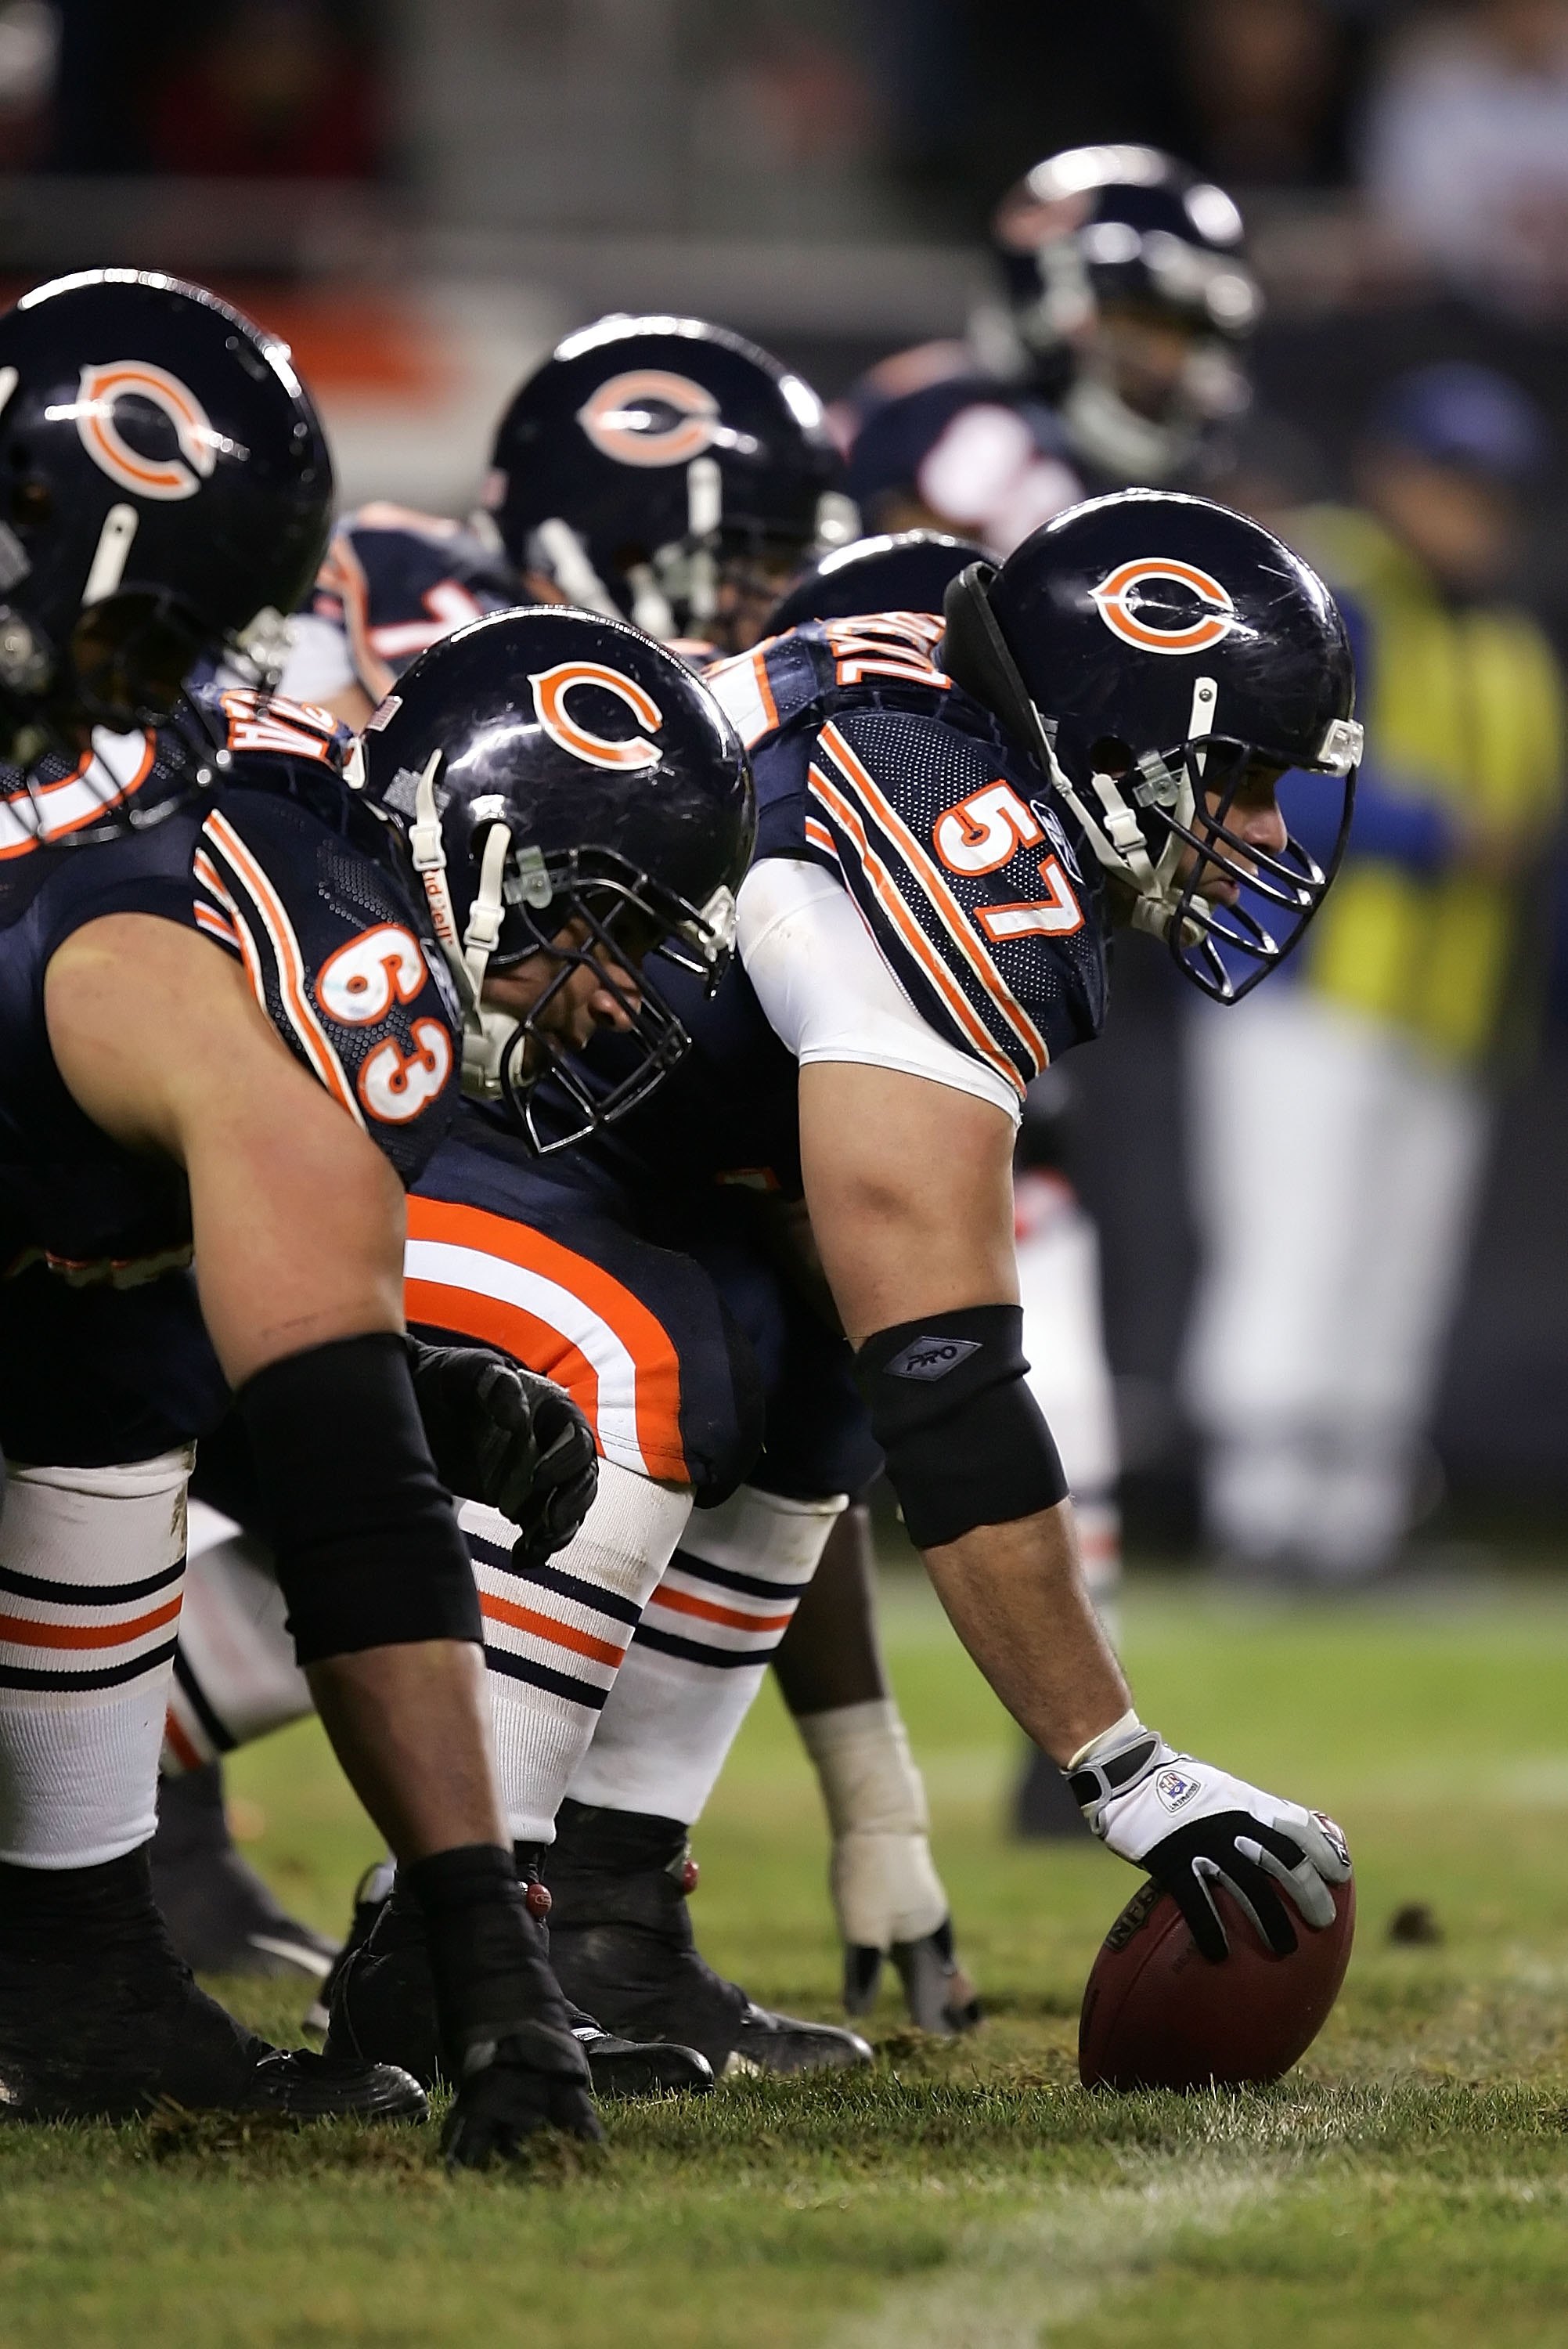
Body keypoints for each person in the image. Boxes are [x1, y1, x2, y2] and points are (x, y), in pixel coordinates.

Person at [305, 485, 1361, 2095]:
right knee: (627, 1355)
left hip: (557, 1127)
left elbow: (873, 1345)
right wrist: (1120, 1768)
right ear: (1126, 738)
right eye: (1244, 780)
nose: (1267, 832)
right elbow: (948, 1376)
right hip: (397, 1097)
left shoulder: (940, 722)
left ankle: (601, 1917)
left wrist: (872, 1779)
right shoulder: (957, 833)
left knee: (791, 1363)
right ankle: (447, 1939)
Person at [169, 325, 982, 2049]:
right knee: (565, 1373)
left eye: (777, 567)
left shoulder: (672, 772)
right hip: (264, 1079)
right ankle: (179, 1837)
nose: (752, 604)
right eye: (727, 564)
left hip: (390, 1107)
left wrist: (872, 1786)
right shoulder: (394, 629)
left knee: (750, 1336)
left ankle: (585, 1898)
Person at [0, 269, 735, 2160]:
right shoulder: (328, 961)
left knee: (120, 1351)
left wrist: (351, 1378)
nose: (611, 999)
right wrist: (493, 1966)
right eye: (599, 933)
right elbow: (350, 1507)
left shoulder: (191, 817)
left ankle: (75, 1945)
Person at [1184, 363, 1566, 1584]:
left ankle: (1347, 1528)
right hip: (1305, 988)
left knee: (1393, 1271)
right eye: (1451, 482)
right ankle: (1254, 1520)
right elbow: (1264, 764)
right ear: (1394, 475)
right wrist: (1432, 830)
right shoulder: (1330, 588)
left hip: (1444, 1013)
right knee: (1291, 1247)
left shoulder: (1506, 640)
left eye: (1490, 492)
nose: (1472, 512)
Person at [837, 145, 1260, 559]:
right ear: (1045, 309)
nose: (1165, 359)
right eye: (1138, 323)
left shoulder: (1203, 480)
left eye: (1187, 333)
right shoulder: (958, 423)